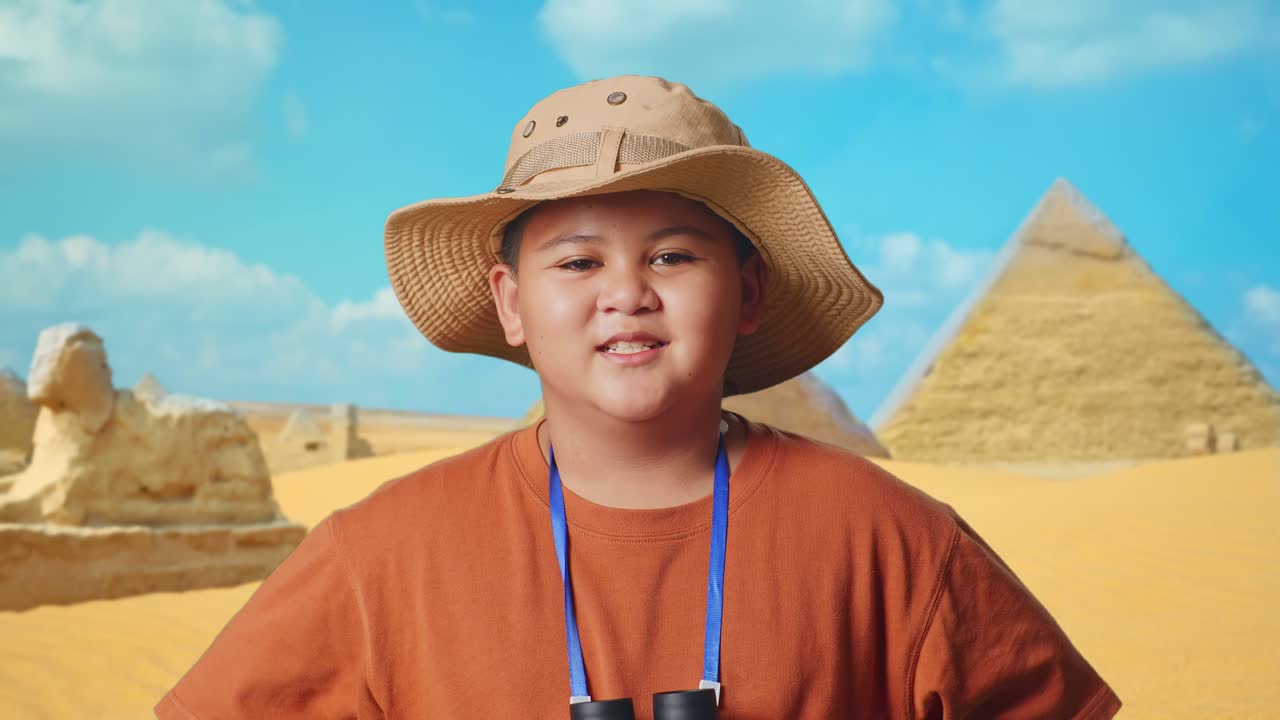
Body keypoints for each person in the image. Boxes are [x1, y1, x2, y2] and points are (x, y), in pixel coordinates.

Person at [154, 75, 1122, 719]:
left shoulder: (896, 543)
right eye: (576, 260)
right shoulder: (377, 558)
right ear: (510, 303)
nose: (626, 292)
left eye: (671, 254)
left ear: (746, 292)